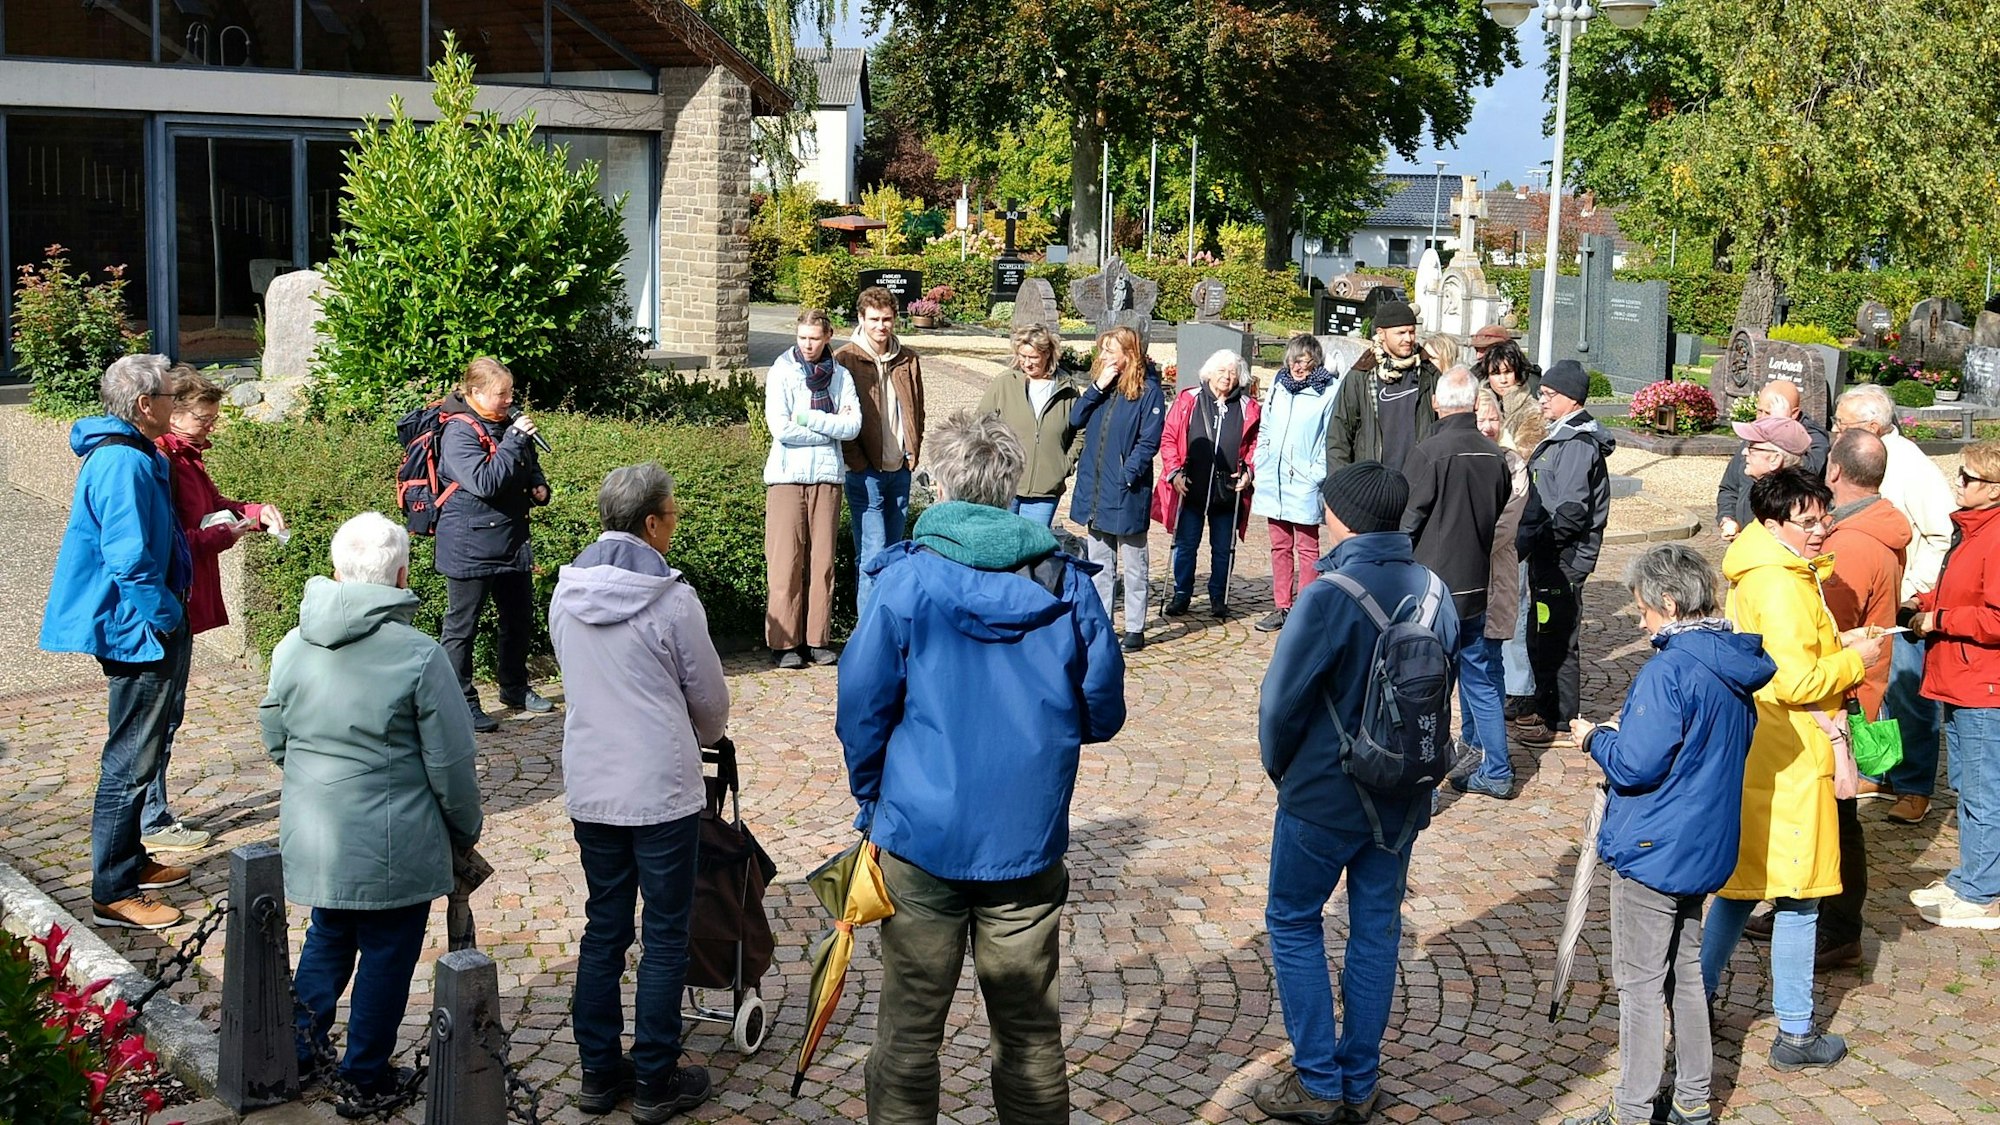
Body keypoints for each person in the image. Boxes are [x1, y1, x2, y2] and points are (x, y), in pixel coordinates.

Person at [837, 409, 1126, 1124]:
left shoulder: (907, 581)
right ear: (1006, 486)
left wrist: (872, 796)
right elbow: (1103, 707)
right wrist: (1045, 733)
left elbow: (861, 707)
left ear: (938, 483)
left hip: (920, 833)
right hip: (1023, 837)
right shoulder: (1062, 579)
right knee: (1029, 1036)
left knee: (907, 1035)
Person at [1254, 462, 1457, 1125]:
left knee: (1292, 919)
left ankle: (1317, 1081)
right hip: (1401, 793)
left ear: (1342, 516)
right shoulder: (1434, 590)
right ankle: (1361, 1079)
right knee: (1376, 930)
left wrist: (1284, 773)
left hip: (1323, 795)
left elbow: (1281, 705)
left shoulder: (1327, 591)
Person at [260, 513, 484, 1100]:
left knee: (328, 933)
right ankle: (364, 1075)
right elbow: (451, 764)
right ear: (403, 574)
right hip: (395, 841)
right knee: (387, 951)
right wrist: (464, 828)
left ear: (336, 571)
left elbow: (275, 732)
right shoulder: (419, 656)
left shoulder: (292, 644)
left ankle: (300, 1049)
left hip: (317, 833)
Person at [1563, 545, 1776, 1125]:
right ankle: (1692, 1098)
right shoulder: (1733, 663)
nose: (1640, 622)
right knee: (1684, 974)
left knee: (1637, 987)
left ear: (1672, 603)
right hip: (1704, 845)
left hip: (1654, 848)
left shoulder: (1670, 670)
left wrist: (1593, 739)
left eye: (1643, 611)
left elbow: (1634, 765)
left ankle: (1630, 1111)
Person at [551, 463, 728, 1120]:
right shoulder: (673, 599)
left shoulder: (564, 593)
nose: (674, 525)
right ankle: (655, 1079)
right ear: (651, 522)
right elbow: (710, 705)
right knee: (664, 932)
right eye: (673, 515)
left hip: (593, 781)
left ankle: (599, 1071)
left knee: (604, 927)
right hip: (659, 786)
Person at [1704, 468, 1883, 1071]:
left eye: (1823, 518)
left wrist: (1838, 647)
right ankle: (1797, 1033)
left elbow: (1792, 658)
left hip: (1768, 751)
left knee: (1741, 885)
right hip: (1791, 755)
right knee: (1799, 895)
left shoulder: (1771, 569)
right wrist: (1853, 663)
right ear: (1773, 524)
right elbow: (1790, 680)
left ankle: (1695, 1000)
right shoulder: (1779, 583)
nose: (1820, 531)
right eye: (1807, 523)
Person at [41, 354, 197, 931]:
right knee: (129, 761)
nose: (173, 407)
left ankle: (131, 860)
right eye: (167, 398)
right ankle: (112, 890)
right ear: (143, 406)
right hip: (139, 628)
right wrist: (166, 616)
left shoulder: (131, 454)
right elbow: (128, 560)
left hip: (144, 623)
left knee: (141, 751)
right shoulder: (122, 462)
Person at [137, 366, 286, 854]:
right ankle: (150, 818)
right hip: (167, 600)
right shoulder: (162, 459)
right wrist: (228, 533)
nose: (211, 426)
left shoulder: (187, 456)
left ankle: (150, 813)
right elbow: (172, 539)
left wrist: (254, 511)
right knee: (157, 715)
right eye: (204, 418)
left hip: (183, 596)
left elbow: (212, 506)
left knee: (166, 712)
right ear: (172, 413)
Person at [1785, 428, 1905, 968]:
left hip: (1842, 696)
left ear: (1834, 472)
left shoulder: (1851, 544)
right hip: (1849, 690)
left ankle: (1836, 927)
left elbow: (1824, 628)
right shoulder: (1867, 530)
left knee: (1838, 816)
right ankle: (1805, 908)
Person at [1834, 385, 1956, 824]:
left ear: (1870, 426)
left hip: (1902, 601)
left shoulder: (1911, 465)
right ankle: (1882, 770)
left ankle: (1915, 787)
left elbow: (1943, 532)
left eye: (1842, 424)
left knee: (1908, 691)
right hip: (1875, 594)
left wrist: (1915, 590)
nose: (1834, 430)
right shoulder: (1868, 455)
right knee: (1873, 687)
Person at [1401, 368, 1514, 799]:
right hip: (1476, 587)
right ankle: (1498, 771)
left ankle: (1424, 786)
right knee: (1481, 682)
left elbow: (1407, 523)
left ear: (1436, 403)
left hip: (1432, 592)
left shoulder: (1429, 453)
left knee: (1428, 689)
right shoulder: (1494, 455)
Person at [1907, 439, 2000, 928]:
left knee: (1983, 790)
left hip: (1983, 683)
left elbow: (1997, 617)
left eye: (1967, 478)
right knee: (1967, 784)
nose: (1957, 483)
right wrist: (1923, 602)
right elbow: (1966, 590)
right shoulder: (1975, 529)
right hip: (1962, 678)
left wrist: (1939, 619)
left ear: (1993, 490)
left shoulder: (1996, 535)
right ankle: (1972, 877)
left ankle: (1981, 893)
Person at [434, 356, 552, 733]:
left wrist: (538, 484)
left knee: (518, 620)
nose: (509, 400)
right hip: (468, 543)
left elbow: (525, 462)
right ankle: (462, 702)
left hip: (511, 539)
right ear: (474, 393)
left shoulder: (509, 425)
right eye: (501, 394)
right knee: (461, 627)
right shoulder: (459, 432)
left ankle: (515, 688)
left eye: (511, 392)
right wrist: (516, 438)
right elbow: (485, 481)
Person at [1514, 360, 1616, 748]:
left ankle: (1559, 714)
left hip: (1564, 559)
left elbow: (1572, 510)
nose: (1542, 400)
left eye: (1549, 395)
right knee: (1544, 632)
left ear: (1571, 399)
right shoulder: (1562, 435)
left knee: (1557, 636)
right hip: (1552, 555)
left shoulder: (1576, 444)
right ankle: (1544, 701)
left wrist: (1539, 543)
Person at [764, 309, 861, 669]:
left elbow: (851, 427)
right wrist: (826, 428)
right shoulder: (781, 372)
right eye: (802, 337)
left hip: (827, 477)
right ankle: (784, 642)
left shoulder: (842, 377)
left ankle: (817, 638)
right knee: (785, 561)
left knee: (822, 563)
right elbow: (781, 429)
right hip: (787, 476)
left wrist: (806, 418)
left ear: (827, 337)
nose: (807, 344)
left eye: (814, 338)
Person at [1069, 325, 1166, 651]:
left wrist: (1127, 475)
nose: (1104, 356)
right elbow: (1075, 418)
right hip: (1096, 488)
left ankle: (1135, 627)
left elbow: (1149, 440)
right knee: (1100, 562)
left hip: (1126, 489)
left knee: (1134, 562)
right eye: (1103, 350)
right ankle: (1102, 623)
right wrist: (1097, 386)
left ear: (1129, 354)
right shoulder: (1103, 389)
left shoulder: (1148, 391)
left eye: (1111, 350)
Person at [838, 285, 927, 611]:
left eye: (887, 319)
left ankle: (889, 626)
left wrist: (912, 450)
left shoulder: (908, 359)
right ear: (861, 319)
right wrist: (857, 462)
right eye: (874, 319)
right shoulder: (846, 358)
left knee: (894, 554)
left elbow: (917, 407)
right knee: (873, 555)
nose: (881, 326)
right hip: (866, 473)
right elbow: (839, 416)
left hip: (899, 468)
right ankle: (868, 634)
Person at [1154, 350, 1260, 618]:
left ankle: (1218, 595)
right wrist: (1174, 472)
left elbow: (1257, 446)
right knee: (1185, 543)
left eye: (1232, 372)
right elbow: (1168, 438)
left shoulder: (1248, 407)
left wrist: (1249, 471)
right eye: (1222, 371)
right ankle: (1182, 593)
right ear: (1209, 372)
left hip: (1228, 489)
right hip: (1191, 486)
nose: (1226, 377)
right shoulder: (1188, 400)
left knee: (1224, 547)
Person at [1251, 335, 1341, 633]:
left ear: (1315, 362)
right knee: (1279, 545)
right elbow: (1265, 426)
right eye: (1293, 360)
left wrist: (1316, 473)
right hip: (1273, 477)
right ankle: (1282, 605)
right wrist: (1260, 460)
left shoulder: (1327, 391)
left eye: (1305, 361)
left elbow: (1330, 438)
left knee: (1307, 546)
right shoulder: (1279, 386)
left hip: (1303, 479)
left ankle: (1306, 608)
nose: (1298, 366)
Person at [975, 323, 1082, 527]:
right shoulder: (1004, 383)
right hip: (1005, 483)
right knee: (1003, 546)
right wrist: (993, 464)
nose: (1027, 363)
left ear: (1048, 354)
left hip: (1046, 487)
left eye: (1033, 357)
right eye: (1022, 356)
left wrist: (1064, 464)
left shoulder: (1067, 388)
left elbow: (1080, 431)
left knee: (1033, 551)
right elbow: (980, 425)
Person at [1324, 301, 1439, 476]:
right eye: (1400, 333)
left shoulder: (1428, 374)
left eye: (1412, 332)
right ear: (1381, 334)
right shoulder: (1361, 376)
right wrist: (1340, 488)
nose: (1408, 339)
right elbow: (1339, 437)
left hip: (1420, 482)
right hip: (1373, 484)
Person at [1715, 381, 1830, 538]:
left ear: (1794, 413)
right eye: (1759, 411)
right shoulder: (1756, 437)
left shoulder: (1813, 439)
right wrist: (1727, 518)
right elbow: (1730, 487)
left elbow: (1805, 473)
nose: (1761, 419)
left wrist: (1779, 427)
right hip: (1745, 536)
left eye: (1768, 414)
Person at [1498, 404, 1548, 720]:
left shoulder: (1527, 422)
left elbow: (1530, 510)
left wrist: (1517, 547)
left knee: (1515, 617)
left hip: (1513, 546)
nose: (1501, 378)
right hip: (1487, 548)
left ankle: (1520, 690)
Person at [1472, 336, 1540, 429]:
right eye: (1496, 374)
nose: (1503, 380)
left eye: (1508, 372)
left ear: (1518, 373)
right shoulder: (1477, 405)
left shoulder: (1532, 411)